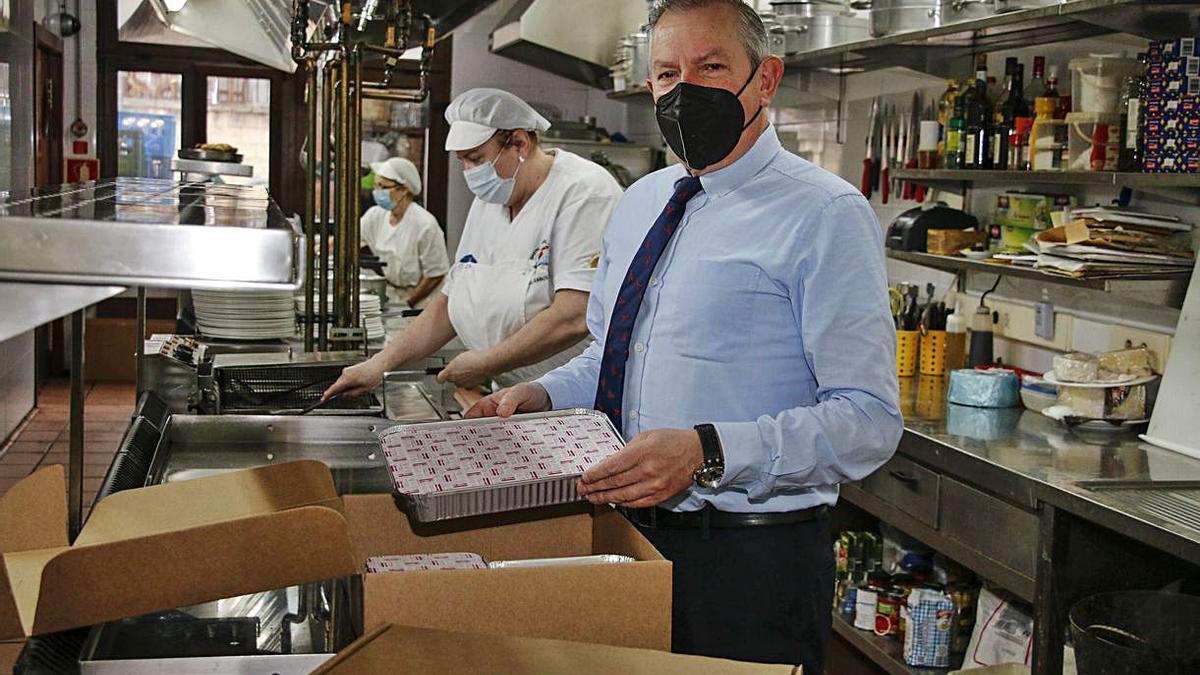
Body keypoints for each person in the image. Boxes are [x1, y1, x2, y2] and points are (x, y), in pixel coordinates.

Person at [465, 1, 902, 672]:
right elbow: (615, 355)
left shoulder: (825, 213)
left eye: (710, 65)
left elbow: (868, 421)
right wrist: (540, 393)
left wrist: (707, 450)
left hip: (751, 563)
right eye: (668, 73)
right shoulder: (643, 200)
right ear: (650, 86)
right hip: (628, 537)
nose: (684, 89)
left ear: (765, 79)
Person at [323, 88, 623, 398]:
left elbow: (573, 316)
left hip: (571, 399)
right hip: (510, 394)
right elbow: (449, 301)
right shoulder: (492, 199)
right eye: (463, 161)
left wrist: (486, 362)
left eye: (476, 159)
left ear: (520, 142)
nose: (470, 172)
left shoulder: (585, 193)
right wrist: (379, 365)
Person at [359, 156, 448, 309]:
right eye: (376, 186)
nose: (377, 192)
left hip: (421, 302)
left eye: (383, 187)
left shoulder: (425, 224)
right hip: (391, 296)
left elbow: (435, 274)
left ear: (403, 190)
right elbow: (348, 240)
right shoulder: (375, 215)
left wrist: (408, 303)